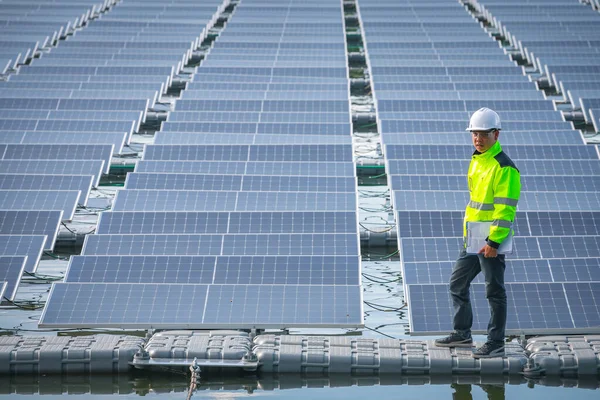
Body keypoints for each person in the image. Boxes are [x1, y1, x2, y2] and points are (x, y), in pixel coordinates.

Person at [434, 107, 521, 358]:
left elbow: (505, 211)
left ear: (496, 134)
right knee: (457, 283)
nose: (478, 139)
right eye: (474, 134)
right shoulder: (477, 160)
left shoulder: (504, 167)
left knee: (494, 291)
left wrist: (494, 241)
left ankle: (496, 342)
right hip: (473, 237)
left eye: (483, 134)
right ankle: (462, 334)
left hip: (490, 240)